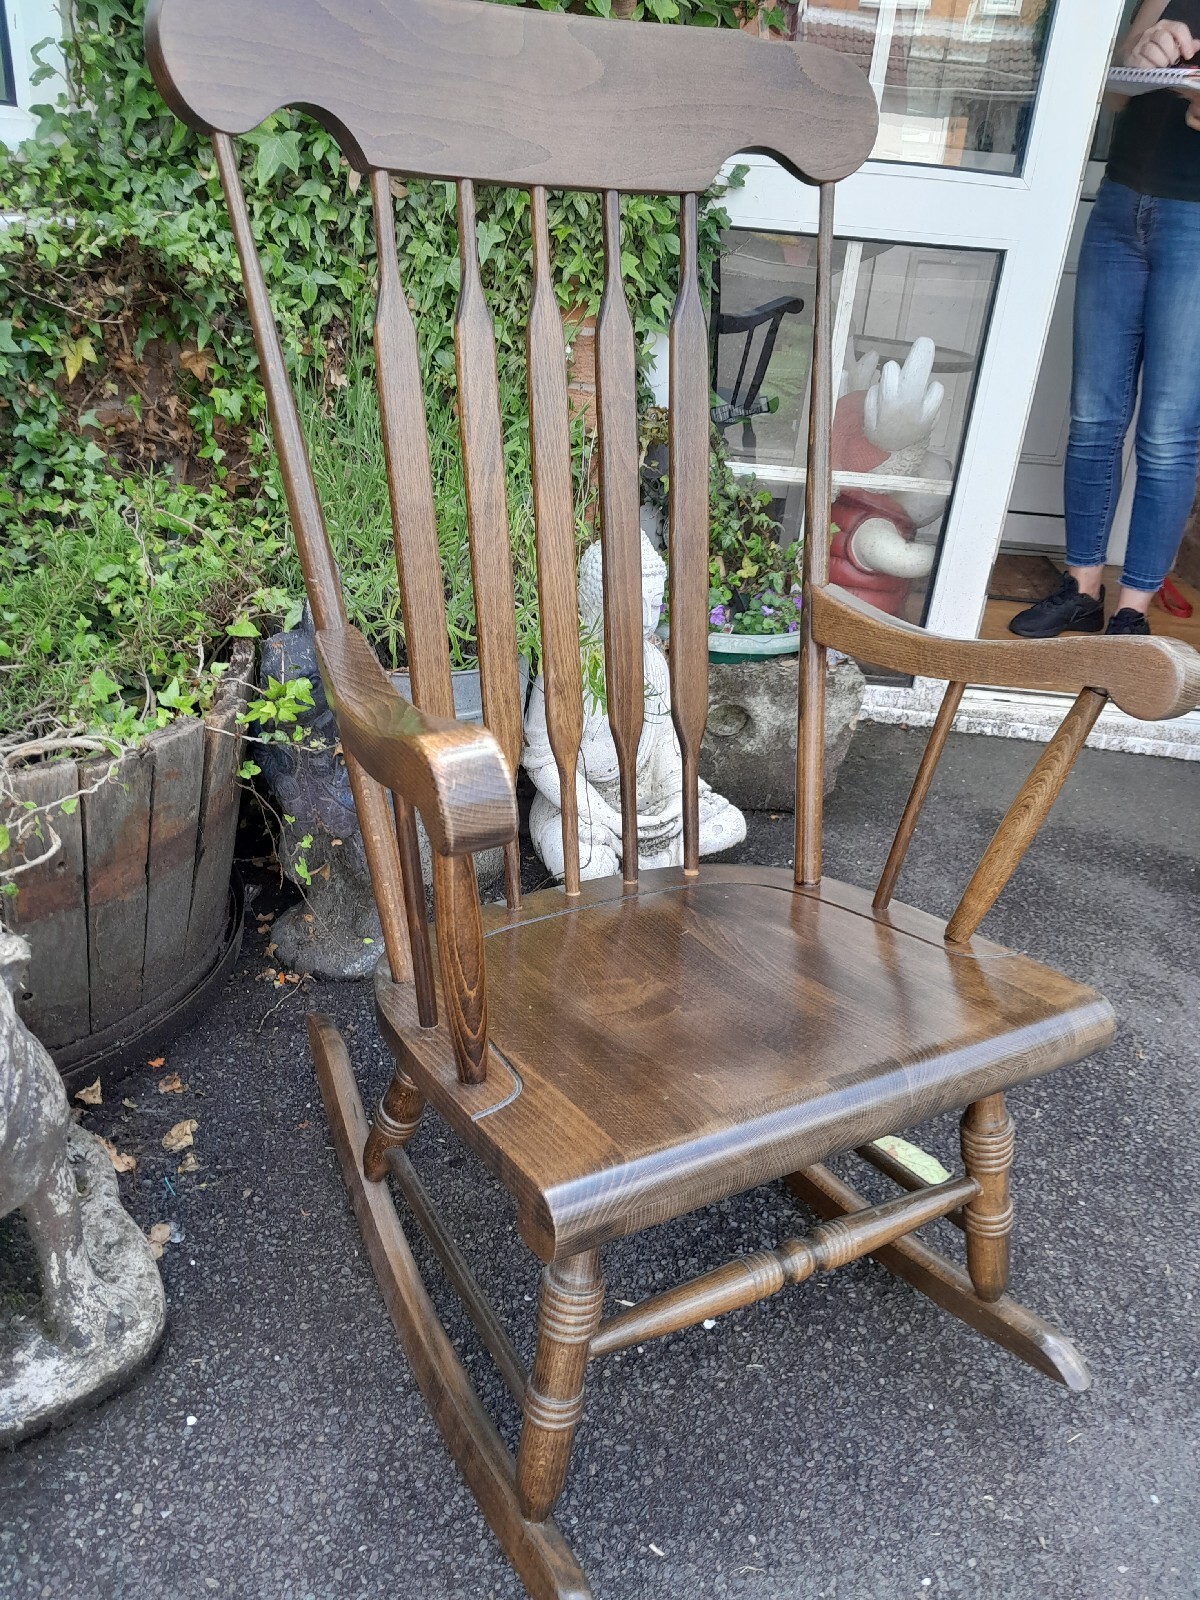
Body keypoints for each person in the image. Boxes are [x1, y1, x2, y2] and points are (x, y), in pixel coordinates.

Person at [1010, 0, 1200, 638]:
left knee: (1168, 434)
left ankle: (1130, 612)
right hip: (1120, 205)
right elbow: (1114, 93)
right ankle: (1082, 588)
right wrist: (1136, 56)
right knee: (1093, 417)